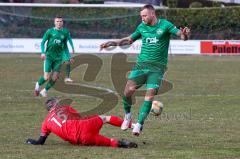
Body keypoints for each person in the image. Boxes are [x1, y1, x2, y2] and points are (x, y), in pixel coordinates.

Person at [100, 4, 190, 136]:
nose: (142, 18)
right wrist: (112, 43)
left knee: (150, 94)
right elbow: (129, 40)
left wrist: (184, 34)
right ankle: (128, 115)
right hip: (141, 66)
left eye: (144, 15)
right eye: (141, 16)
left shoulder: (165, 25)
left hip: (157, 68)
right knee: (127, 92)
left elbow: (180, 35)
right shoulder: (141, 27)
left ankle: (140, 124)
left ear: (152, 14)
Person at [26, 97, 137, 148]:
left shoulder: (45, 123)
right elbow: (79, 117)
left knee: (109, 142)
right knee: (105, 118)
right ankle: (133, 125)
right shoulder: (64, 107)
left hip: (80, 140)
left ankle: (118, 143)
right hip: (84, 125)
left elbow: (40, 141)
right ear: (55, 104)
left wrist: (30, 141)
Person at [34, 16, 74, 97]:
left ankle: (44, 91)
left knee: (55, 77)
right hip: (49, 56)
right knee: (46, 77)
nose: (59, 23)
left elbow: (65, 46)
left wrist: (68, 56)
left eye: (60, 21)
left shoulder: (65, 32)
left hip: (58, 58)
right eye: (57, 21)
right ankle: (38, 84)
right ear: (54, 22)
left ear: (62, 22)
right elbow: (42, 42)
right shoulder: (50, 31)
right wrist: (42, 52)